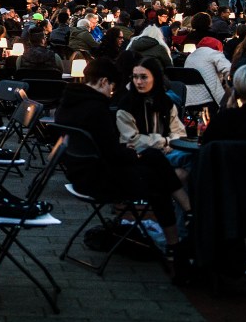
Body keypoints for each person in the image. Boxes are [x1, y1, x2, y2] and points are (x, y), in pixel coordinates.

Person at [55, 59, 193, 280]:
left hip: (79, 174)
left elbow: (103, 148)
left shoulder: (67, 104)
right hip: (100, 180)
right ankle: (177, 238)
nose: (112, 93)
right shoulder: (96, 109)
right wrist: (132, 153)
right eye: (111, 87)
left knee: (154, 157)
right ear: (103, 82)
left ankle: (185, 215)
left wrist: (130, 152)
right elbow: (113, 153)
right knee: (158, 181)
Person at [117, 57, 189, 168]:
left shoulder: (165, 102)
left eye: (143, 77)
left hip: (167, 151)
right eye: (135, 77)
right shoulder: (127, 105)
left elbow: (179, 132)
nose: (138, 82)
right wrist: (165, 141)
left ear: (155, 78)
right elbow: (132, 140)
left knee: (194, 158)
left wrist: (169, 145)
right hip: (139, 155)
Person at [182, 36, 230, 110]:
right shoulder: (214, 53)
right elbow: (229, 69)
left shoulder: (190, 57)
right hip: (210, 98)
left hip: (188, 101)